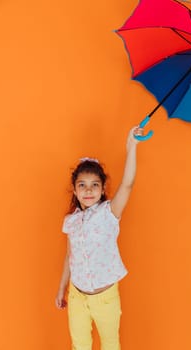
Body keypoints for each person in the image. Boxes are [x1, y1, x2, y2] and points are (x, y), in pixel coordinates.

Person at [55, 126, 146, 350]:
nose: (88, 191)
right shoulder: (71, 221)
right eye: (82, 186)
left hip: (105, 298)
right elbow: (69, 256)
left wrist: (131, 146)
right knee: (80, 345)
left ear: (103, 188)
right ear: (75, 191)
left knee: (110, 345)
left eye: (94, 185)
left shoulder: (109, 213)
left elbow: (127, 184)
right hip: (77, 296)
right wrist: (61, 288)